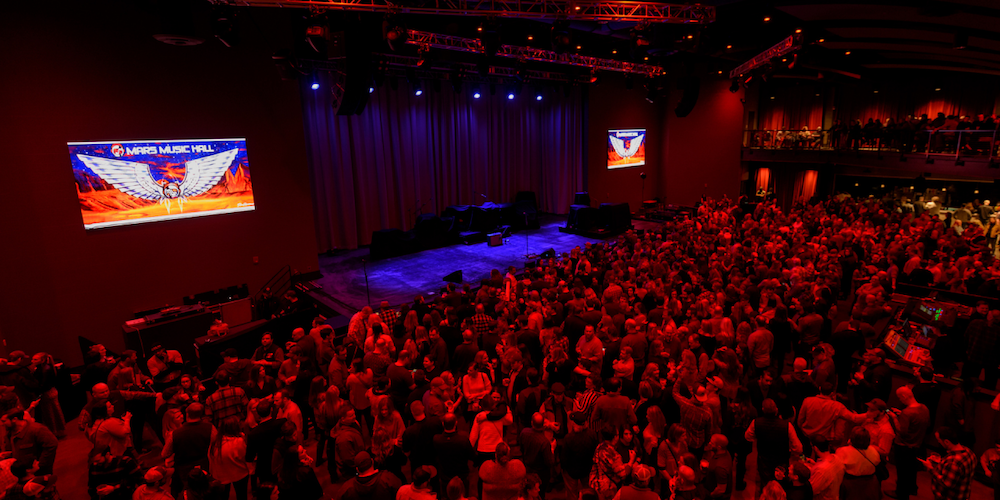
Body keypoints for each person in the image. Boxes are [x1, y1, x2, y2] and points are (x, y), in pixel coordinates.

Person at [745, 399, 801, 498]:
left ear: (763, 410)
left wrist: (758, 436)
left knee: (765, 483)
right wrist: (792, 451)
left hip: (764, 459)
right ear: (776, 410)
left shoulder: (756, 422)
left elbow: (748, 437)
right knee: (781, 483)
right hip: (781, 459)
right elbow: (798, 448)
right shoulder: (787, 425)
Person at [885, 386, 929, 499]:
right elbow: (916, 422)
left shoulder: (907, 413)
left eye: (899, 398)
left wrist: (895, 418)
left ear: (904, 396)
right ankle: (912, 488)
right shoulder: (924, 408)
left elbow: (902, 432)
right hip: (916, 444)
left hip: (903, 446)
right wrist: (902, 414)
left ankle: (901, 493)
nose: (900, 400)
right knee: (911, 469)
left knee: (902, 472)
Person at [161, 403, 212, 497]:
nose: (181, 417)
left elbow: (164, 454)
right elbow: (164, 454)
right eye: (177, 417)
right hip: (197, 464)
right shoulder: (209, 427)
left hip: (183, 466)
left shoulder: (177, 432)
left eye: (181, 414)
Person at [919, 427, 976, 500]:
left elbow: (946, 483)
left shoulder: (953, 462)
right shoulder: (969, 452)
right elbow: (957, 472)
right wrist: (941, 463)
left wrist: (931, 469)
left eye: (939, 440)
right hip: (963, 495)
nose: (938, 443)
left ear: (946, 442)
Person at [1, 408, 57, 475]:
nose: (1, 424)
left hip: (38, 474)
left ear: (14, 419)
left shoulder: (37, 430)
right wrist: (9, 455)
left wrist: (40, 465)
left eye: (4, 421)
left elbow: (52, 445)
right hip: (21, 474)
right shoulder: (9, 435)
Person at [590, 424, 638, 500]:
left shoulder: (599, 447)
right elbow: (623, 474)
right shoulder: (614, 454)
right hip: (607, 488)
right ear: (615, 437)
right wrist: (631, 461)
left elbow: (607, 466)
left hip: (595, 484)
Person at [208, 417, 250, 500]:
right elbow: (244, 456)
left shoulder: (216, 441)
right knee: (242, 495)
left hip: (221, 475)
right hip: (239, 473)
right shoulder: (238, 441)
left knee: (223, 497)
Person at [433, 413, 475, 495]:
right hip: (461, 476)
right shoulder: (463, 440)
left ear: (442, 423)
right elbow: (472, 456)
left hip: (445, 477)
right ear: (456, 423)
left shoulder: (436, 439)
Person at [245, 399, 285, 484]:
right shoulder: (281, 423)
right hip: (282, 461)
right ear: (271, 410)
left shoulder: (253, 434)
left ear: (258, 413)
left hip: (264, 466)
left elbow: (249, 456)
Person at [835, 427, 881, 498]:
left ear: (852, 438)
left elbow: (838, 468)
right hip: (871, 484)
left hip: (851, 485)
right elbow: (877, 462)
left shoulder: (843, 451)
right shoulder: (874, 451)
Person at [562, 412, 599, 500]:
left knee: (572, 494)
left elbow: (564, 457)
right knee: (588, 493)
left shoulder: (568, 438)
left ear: (574, 423)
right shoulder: (592, 434)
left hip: (572, 472)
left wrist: (563, 469)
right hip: (587, 470)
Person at [519, 412, 554, 494]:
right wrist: (552, 449)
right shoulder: (544, 442)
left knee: (529, 492)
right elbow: (549, 462)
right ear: (543, 424)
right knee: (539, 493)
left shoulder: (524, 432)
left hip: (527, 468)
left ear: (532, 422)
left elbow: (521, 448)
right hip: (541, 474)